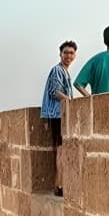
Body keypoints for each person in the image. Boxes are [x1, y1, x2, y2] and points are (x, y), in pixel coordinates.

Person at [41, 40, 77, 197]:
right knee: (60, 150)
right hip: (56, 115)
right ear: (60, 54)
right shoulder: (57, 70)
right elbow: (55, 92)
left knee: (61, 149)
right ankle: (59, 185)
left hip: (60, 114)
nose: (68, 55)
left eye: (71, 53)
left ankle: (61, 184)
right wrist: (71, 102)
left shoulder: (65, 71)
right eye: (66, 53)